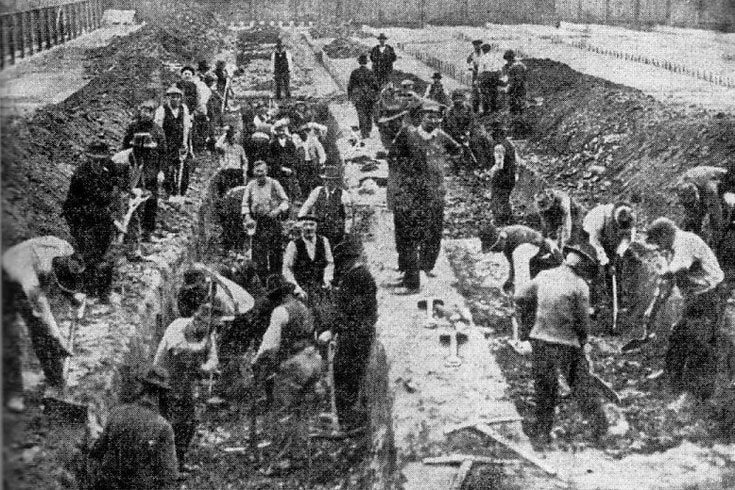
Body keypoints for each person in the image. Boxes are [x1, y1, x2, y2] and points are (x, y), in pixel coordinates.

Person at [515, 241, 608, 445]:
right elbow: (583, 323)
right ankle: (599, 429)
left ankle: (542, 433)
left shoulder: (544, 276)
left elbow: (519, 296)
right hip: (567, 344)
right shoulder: (580, 286)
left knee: (545, 389)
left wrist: (531, 320)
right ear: (584, 266)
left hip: (540, 340)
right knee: (581, 385)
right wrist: (584, 344)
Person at [643, 218, 725, 400]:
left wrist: (663, 271)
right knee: (678, 334)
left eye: (658, 242)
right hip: (695, 296)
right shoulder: (670, 249)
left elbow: (678, 268)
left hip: (709, 294)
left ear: (665, 234)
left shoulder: (684, 241)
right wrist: (652, 309)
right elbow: (666, 285)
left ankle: (698, 394)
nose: (658, 248)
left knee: (700, 341)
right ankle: (671, 376)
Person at [2, 237, 84, 411]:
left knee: (42, 333)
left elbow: (64, 274)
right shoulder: (30, 280)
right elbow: (41, 310)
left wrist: (71, 295)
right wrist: (58, 338)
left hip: (28, 265)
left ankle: (56, 382)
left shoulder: (64, 248)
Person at [388, 100, 461, 293]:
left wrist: (443, 170)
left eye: (437, 117)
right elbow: (393, 156)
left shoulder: (441, 137)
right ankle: (410, 278)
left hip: (435, 195)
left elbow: (458, 151)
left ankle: (425, 268)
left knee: (432, 233)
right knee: (409, 235)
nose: (434, 120)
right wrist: (405, 176)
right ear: (421, 117)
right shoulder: (408, 134)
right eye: (430, 116)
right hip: (411, 194)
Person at [87, 366, 178, 489]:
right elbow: (168, 475)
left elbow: (95, 454)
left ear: (142, 388)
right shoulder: (163, 427)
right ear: (162, 395)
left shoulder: (116, 413)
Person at [154, 302, 218, 473]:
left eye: (210, 328)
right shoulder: (178, 326)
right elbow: (179, 350)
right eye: (204, 326)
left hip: (185, 383)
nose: (207, 332)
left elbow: (213, 359)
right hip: (164, 381)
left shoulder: (207, 334)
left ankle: (179, 461)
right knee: (169, 423)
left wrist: (207, 367)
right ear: (196, 320)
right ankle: (165, 466)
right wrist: (202, 346)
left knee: (189, 423)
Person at [330, 236, 378, 427]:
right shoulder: (360, 275)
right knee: (351, 375)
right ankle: (351, 416)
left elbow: (350, 310)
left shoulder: (355, 277)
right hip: (359, 332)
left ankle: (348, 419)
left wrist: (335, 329)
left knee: (345, 374)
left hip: (354, 335)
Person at [62, 140, 119, 297]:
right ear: (89, 158)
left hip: (100, 217)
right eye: (95, 160)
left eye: (102, 160)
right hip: (81, 218)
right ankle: (88, 291)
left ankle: (101, 291)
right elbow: (97, 199)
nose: (99, 164)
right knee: (89, 253)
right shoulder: (82, 176)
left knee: (103, 252)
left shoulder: (107, 171)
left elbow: (113, 186)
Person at [121, 100, 168, 241]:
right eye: (144, 110)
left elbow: (163, 153)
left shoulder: (158, 130)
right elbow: (124, 148)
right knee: (133, 200)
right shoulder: (132, 127)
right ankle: (130, 233)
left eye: (149, 111)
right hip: (135, 168)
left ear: (153, 114)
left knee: (151, 200)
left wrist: (161, 171)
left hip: (151, 170)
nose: (146, 114)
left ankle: (148, 232)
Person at [241, 161, 290, 281]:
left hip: (272, 220)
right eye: (257, 172)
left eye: (262, 172)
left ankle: (276, 278)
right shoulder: (251, 185)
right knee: (258, 250)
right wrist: (247, 216)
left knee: (275, 250)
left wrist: (277, 211)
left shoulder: (274, 184)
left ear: (266, 172)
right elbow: (245, 203)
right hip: (258, 222)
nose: (259, 175)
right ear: (254, 173)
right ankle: (261, 278)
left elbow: (285, 201)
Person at [480, 223, 563, 293]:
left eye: (495, 248)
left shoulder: (519, 239)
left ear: (501, 239)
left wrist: (520, 292)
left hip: (552, 257)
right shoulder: (507, 243)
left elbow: (521, 269)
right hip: (537, 259)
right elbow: (513, 264)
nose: (495, 251)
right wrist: (510, 280)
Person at [283, 214, 335, 303]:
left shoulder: (324, 241)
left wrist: (327, 278)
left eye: (311, 224)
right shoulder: (293, 245)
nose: (308, 228)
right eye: (305, 225)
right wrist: (297, 289)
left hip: (321, 288)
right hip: (302, 291)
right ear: (301, 227)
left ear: (316, 226)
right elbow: (287, 270)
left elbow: (329, 263)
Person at [299, 165, 353, 249]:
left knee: (331, 250)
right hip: (319, 227)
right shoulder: (318, 191)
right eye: (327, 180)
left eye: (332, 180)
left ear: (336, 181)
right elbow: (307, 205)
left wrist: (347, 231)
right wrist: (300, 218)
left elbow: (348, 215)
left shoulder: (343, 194)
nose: (329, 182)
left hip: (335, 229)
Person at [675, 166, 728, 248]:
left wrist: (716, 236)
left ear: (696, 193)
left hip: (726, 181)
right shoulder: (681, 186)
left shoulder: (709, 189)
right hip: (701, 184)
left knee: (721, 217)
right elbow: (691, 212)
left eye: (693, 202)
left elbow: (716, 212)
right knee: (693, 220)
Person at [154, 85, 192, 196]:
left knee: (183, 167)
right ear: (167, 98)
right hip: (166, 143)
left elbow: (186, 127)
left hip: (179, 143)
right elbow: (158, 129)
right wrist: (160, 144)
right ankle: (169, 192)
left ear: (180, 98)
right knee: (168, 168)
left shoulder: (183, 109)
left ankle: (181, 192)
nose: (174, 99)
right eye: (172, 97)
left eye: (177, 97)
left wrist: (185, 143)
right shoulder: (162, 110)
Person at [487, 121, 518, 226]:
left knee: (496, 198)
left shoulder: (498, 147)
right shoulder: (510, 144)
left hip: (501, 177)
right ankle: (509, 219)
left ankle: (499, 220)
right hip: (511, 176)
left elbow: (499, 165)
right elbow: (516, 161)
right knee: (505, 198)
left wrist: (488, 173)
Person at [348, 53, 380, 139]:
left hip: (358, 97)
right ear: (366, 62)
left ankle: (364, 133)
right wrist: (376, 95)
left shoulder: (354, 72)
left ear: (359, 62)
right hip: (369, 97)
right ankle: (368, 131)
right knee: (369, 114)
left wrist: (350, 97)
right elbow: (376, 86)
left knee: (361, 114)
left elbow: (350, 86)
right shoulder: (370, 72)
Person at [292, 123, 327, 195]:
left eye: (304, 132)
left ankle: (316, 195)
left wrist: (321, 161)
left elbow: (321, 151)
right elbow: (295, 152)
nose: (302, 134)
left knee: (314, 180)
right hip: (303, 163)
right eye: (301, 132)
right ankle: (305, 196)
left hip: (312, 162)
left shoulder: (313, 140)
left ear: (307, 132)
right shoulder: (298, 141)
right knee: (303, 180)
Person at [269, 119, 300, 198]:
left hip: (289, 170)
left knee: (290, 188)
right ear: (276, 132)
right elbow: (270, 158)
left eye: (283, 131)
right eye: (280, 131)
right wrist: (280, 167)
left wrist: (291, 168)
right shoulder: (273, 144)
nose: (282, 133)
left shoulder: (290, 144)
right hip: (277, 170)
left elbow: (295, 157)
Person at [477, 43, 502, 114]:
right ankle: (494, 109)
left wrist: (479, 80)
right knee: (494, 93)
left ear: (483, 50)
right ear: (489, 49)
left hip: (486, 77)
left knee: (485, 93)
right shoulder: (494, 57)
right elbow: (499, 69)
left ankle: (486, 110)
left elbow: (480, 71)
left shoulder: (482, 58)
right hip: (494, 77)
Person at [500, 49, 527, 116]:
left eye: (508, 59)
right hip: (516, 88)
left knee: (517, 104)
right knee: (514, 105)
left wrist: (509, 88)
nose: (507, 61)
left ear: (511, 58)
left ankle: (518, 118)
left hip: (518, 88)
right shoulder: (509, 66)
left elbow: (518, 80)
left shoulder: (517, 66)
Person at [466, 39, 483, 112]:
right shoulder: (473, 54)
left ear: (480, 45)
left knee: (483, 90)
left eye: (478, 45)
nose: (476, 46)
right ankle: (476, 109)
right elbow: (468, 61)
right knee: (475, 90)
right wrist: (472, 68)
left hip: (483, 73)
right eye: (475, 45)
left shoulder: (484, 53)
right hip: (475, 73)